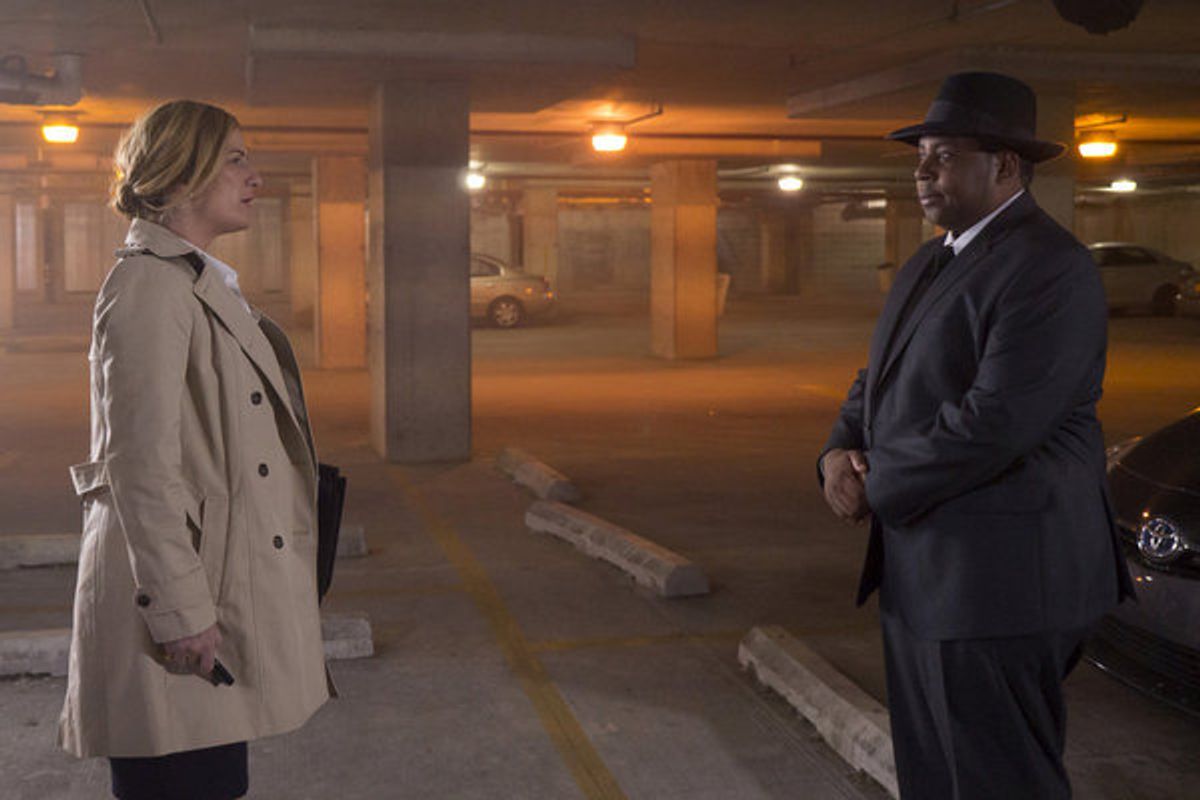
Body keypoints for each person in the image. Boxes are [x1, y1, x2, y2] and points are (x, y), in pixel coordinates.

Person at [819, 72, 1134, 799]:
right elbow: (879, 378)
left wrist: (877, 484)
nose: (923, 171)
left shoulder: (1050, 268)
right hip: (926, 572)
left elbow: (995, 422)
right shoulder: (931, 261)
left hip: (1002, 582)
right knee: (935, 776)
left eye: (945, 154)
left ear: (1005, 165)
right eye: (921, 154)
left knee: (998, 780)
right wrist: (835, 453)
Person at [59, 100, 329, 800]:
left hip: (205, 592)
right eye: (236, 158)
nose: (255, 176)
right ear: (183, 172)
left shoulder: (187, 279)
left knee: (210, 782)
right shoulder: (149, 285)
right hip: (176, 607)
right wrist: (182, 611)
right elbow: (138, 466)